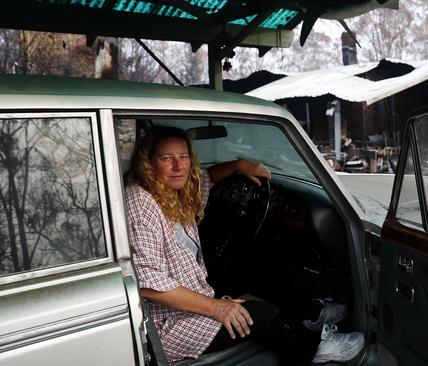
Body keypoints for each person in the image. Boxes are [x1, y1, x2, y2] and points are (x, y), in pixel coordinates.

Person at [123, 126, 364, 364]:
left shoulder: (170, 191)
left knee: (254, 269)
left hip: (190, 288)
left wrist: (238, 165)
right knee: (262, 316)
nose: (178, 166)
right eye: (167, 158)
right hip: (166, 324)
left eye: (183, 157)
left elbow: (207, 179)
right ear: (149, 162)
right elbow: (149, 285)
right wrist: (217, 307)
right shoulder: (141, 204)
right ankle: (315, 350)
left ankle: (312, 315)